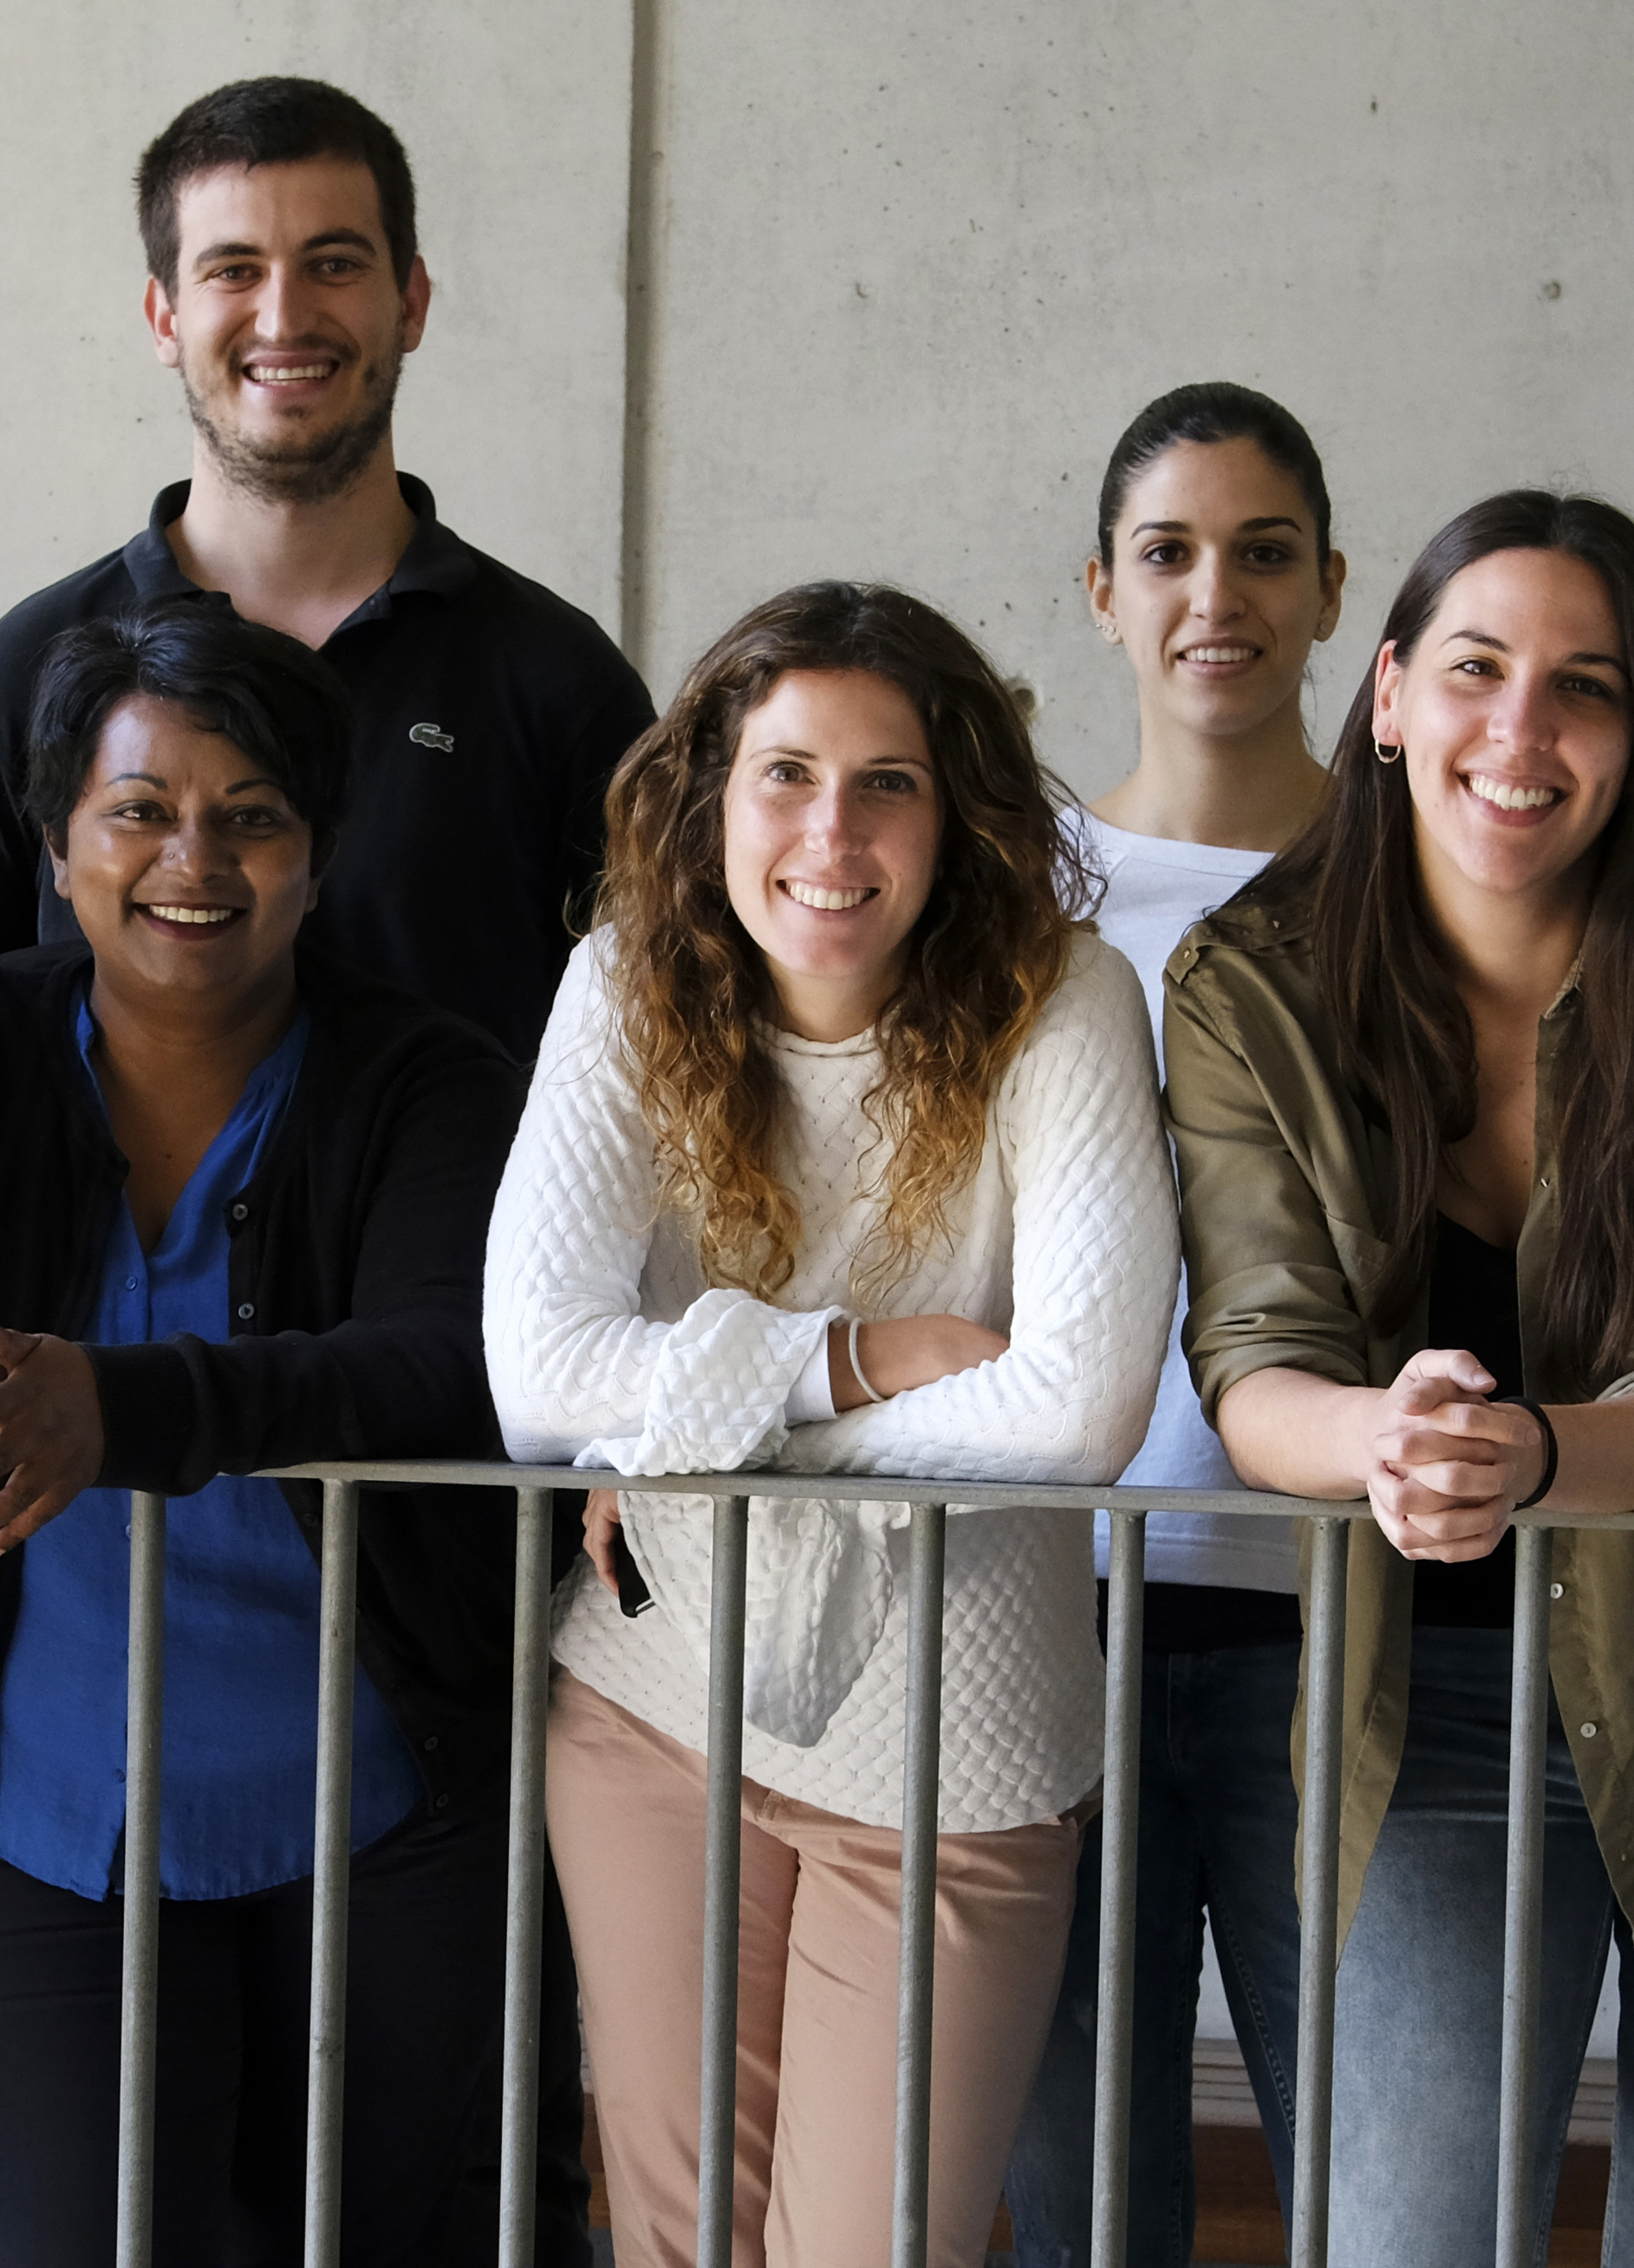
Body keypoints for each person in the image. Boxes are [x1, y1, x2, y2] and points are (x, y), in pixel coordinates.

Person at [0, 600, 529, 2262]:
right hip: (41, 1814)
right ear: (52, 840)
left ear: (318, 853)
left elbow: (447, 1361)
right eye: (141, 811)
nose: (196, 859)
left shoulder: (424, 1077)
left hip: (374, 1816)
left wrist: (122, 1402)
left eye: (253, 817)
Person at [1162, 490, 1634, 2267]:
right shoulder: (1247, 979)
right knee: (1404, 2236)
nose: (1522, 731)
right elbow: (1256, 1356)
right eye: (1478, 669)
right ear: (1392, 692)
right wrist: (1392, 1446)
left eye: (1588, 688)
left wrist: (1523, 1455)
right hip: (1428, 1722)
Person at [486, 580, 1167, 2267]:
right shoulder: (628, 983)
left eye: (889, 783)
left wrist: (698, 1428)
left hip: (959, 1742)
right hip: (651, 1706)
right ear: (713, 796)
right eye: (786, 773)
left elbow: (1080, 1407)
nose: (830, 832)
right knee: (668, 2242)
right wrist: (868, 1363)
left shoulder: (1060, 1000)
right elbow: (535, 1374)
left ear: (960, 818)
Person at [0, 75, 655, 1065]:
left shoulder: (558, 682)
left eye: (332, 263)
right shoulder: (28, 668)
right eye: (234, 269)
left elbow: (666, 1055)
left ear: (409, 302)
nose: (283, 318)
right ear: (164, 317)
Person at [995, 380, 1345, 2268]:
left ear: (1332, 590)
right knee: (1075, 2205)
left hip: (1346, 1632)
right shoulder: (1016, 902)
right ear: (1105, 594)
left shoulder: (1423, 872)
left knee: (1373, 2193)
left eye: (1265, 552)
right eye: (1171, 552)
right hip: (1063, 1617)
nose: (1220, 593)